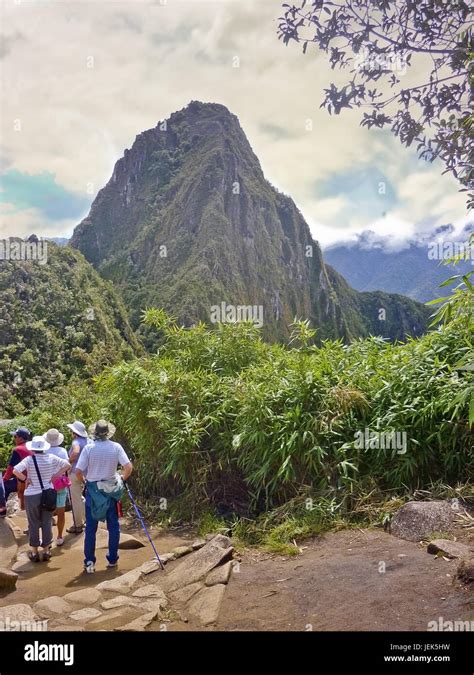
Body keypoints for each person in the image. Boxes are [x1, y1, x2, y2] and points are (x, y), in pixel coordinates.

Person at [75, 420, 133, 574]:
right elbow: (128, 467)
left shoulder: (89, 448)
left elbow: (78, 471)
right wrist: (122, 479)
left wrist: (85, 483)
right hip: (111, 490)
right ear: (108, 433)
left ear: (95, 433)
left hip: (93, 491)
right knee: (113, 526)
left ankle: (89, 562)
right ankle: (113, 559)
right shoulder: (116, 447)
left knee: (91, 529)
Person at [13, 436, 70, 563]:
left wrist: (25, 479)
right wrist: (56, 475)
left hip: (32, 495)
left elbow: (15, 470)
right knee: (47, 521)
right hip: (48, 493)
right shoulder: (51, 458)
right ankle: (46, 550)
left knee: (33, 522)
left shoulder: (29, 459)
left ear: (33, 448)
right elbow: (67, 465)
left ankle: (34, 552)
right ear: (44, 447)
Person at [44, 429, 69, 546]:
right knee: (61, 512)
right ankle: (59, 536)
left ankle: (48, 538)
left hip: (47, 484)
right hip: (60, 484)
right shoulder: (63, 451)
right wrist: (58, 474)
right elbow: (66, 466)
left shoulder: (44, 450)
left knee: (47, 513)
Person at [66, 421, 88, 534]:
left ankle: (78, 525)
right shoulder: (88, 441)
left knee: (75, 499)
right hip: (85, 473)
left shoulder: (76, 441)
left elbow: (75, 452)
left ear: (75, 432)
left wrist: (68, 462)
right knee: (80, 497)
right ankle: (85, 519)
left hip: (75, 472)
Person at [3, 427, 32, 509]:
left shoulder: (18, 449)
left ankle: (2, 510)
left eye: (15, 436)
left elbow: (11, 468)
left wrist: (4, 479)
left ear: (20, 438)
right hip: (34, 477)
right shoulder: (31, 446)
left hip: (23, 480)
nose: (14, 439)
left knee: (4, 487)